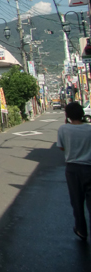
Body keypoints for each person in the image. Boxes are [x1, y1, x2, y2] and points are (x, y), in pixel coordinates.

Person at [57, 102, 91, 241]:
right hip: (89, 167)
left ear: (68, 115)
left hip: (72, 168)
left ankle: (81, 230)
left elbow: (61, 148)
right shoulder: (89, 129)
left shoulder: (63, 129)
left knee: (77, 201)